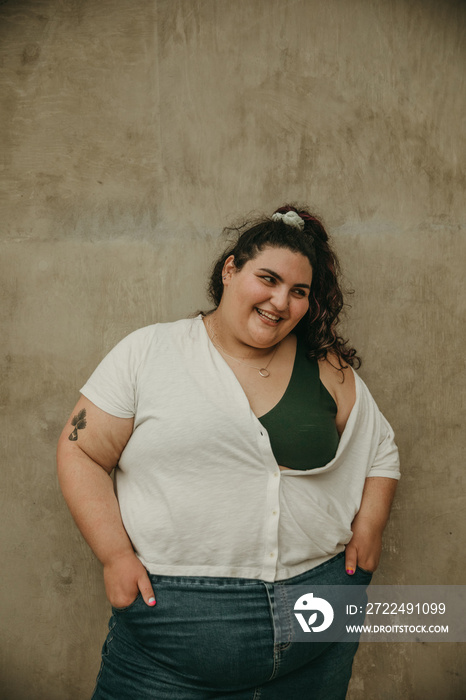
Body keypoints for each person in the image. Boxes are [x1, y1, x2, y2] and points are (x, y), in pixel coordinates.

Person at [57, 205, 400, 699]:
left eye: (298, 292)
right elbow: (80, 451)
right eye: (268, 279)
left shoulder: (326, 367)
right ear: (231, 270)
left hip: (318, 626)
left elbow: (380, 449)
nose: (280, 302)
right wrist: (114, 556)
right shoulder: (150, 352)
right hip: (172, 636)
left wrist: (369, 530)